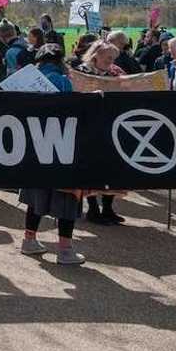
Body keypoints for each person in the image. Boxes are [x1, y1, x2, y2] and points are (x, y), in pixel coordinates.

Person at [19, 44, 86, 265]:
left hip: (34, 146)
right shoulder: (63, 81)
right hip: (61, 145)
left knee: (35, 196)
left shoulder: (26, 80)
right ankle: (65, 250)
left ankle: (29, 240)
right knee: (66, 197)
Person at [74, 41, 126, 225]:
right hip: (88, 127)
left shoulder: (115, 73)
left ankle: (108, 208)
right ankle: (93, 209)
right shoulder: (81, 72)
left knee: (109, 169)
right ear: (96, 55)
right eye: (108, 58)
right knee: (91, 168)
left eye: (113, 58)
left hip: (110, 125)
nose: (111, 61)